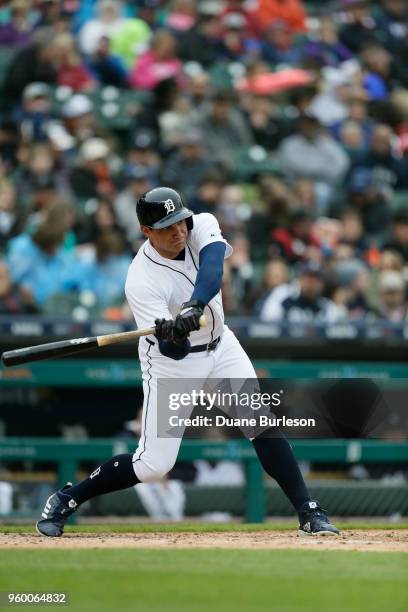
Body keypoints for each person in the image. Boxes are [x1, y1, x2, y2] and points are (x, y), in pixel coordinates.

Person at [36, 186, 339, 538]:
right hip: (173, 365)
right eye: (166, 227)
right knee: (153, 465)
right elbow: (172, 353)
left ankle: (309, 511)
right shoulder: (141, 279)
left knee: (260, 423)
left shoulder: (201, 225)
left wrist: (192, 307)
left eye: (179, 221)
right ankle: (68, 498)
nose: (178, 231)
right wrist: (173, 334)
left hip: (221, 346)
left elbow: (212, 269)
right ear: (146, 232)